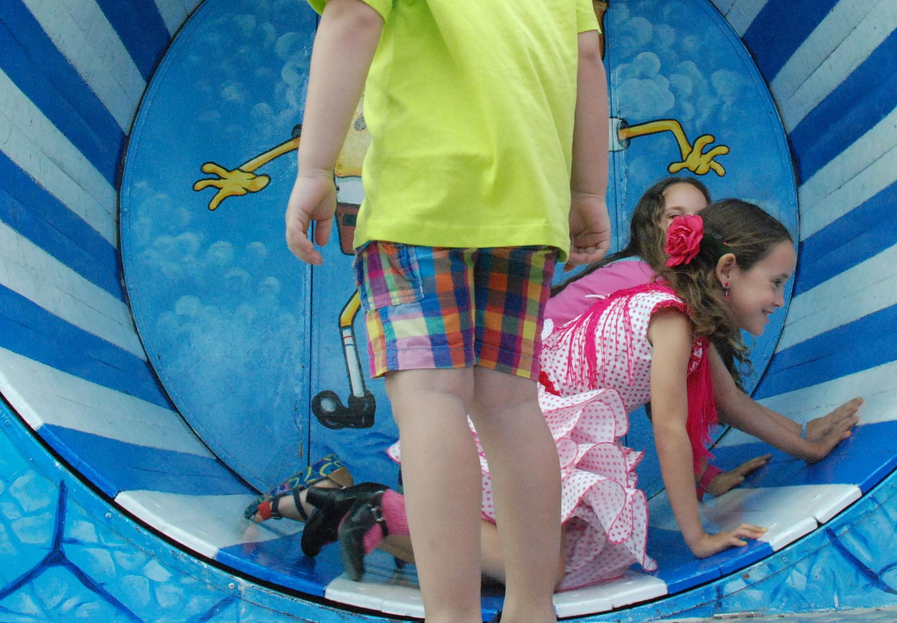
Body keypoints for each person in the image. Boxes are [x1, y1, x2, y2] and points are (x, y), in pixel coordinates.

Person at [286, 0, 610, 623]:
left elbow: (349, 20)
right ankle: (534, 607)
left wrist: (316, 168)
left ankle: (453, 614)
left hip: (423, 202)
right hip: (526, 206)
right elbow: (588, 62)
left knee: (430, 398)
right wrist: (588, 193)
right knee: (509, 402)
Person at [298, 200, 862, 591]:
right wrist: (698, 537)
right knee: (546, 572)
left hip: (537, 431)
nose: (778, 299)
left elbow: (734, 406)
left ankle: (366, 513)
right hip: (524, 432)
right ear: (726, 269)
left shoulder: (685, 319)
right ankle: (380, 509)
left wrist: (808, 448)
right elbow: (669, 429)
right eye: (776, 282)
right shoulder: (667, 318)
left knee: (580, 559)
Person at [545, 176, 710, 328]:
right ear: (651, 225)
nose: (690, 225)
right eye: (674, 216)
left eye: (700, 218)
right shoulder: (637, 274)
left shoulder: (686, 282)